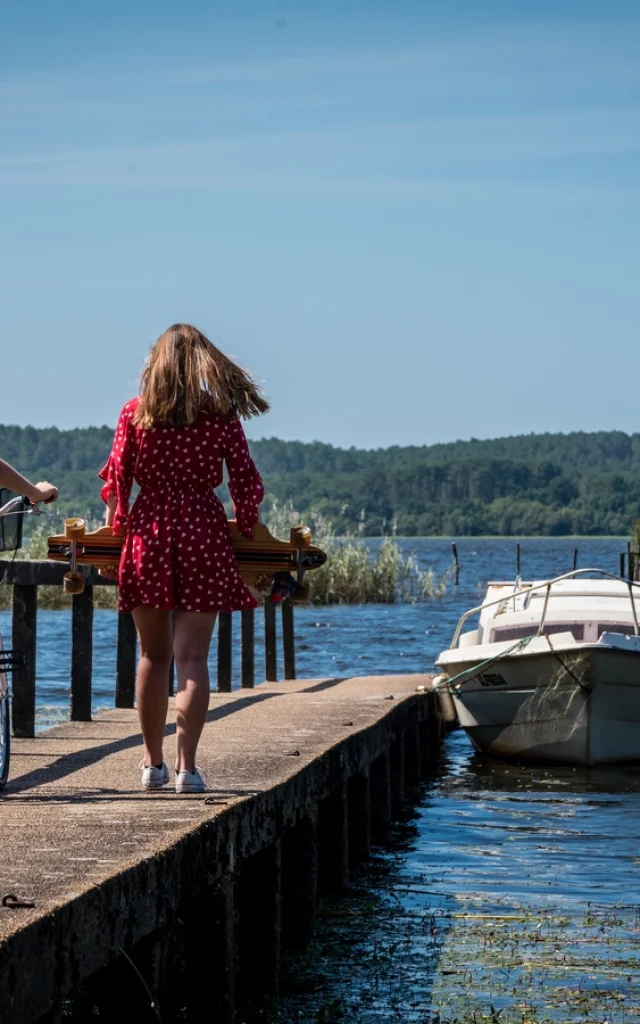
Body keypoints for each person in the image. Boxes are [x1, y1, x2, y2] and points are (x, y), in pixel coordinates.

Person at [98, 323, 268, 793]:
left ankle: (152, 766)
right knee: (192, 657)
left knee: (152, 657)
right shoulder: (220, 417)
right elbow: (245, 479)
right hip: (204, 532)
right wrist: (248, 523)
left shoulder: (134, 414)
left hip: (148, 534)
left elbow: (117, 481)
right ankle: (187, 770)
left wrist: (118, 526)